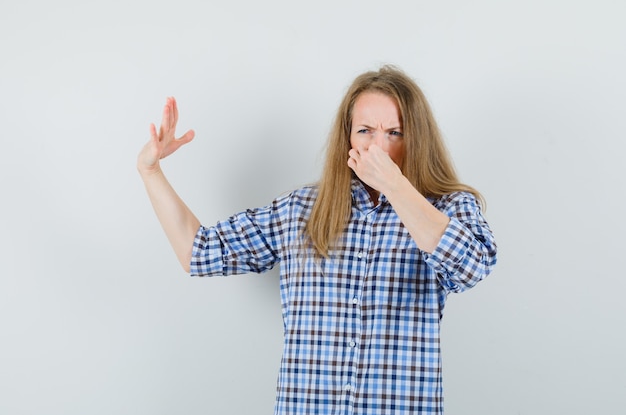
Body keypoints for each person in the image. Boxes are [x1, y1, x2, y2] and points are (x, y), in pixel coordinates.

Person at [137, 65, 497, 414]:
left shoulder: (447, 207)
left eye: (395, 133)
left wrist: (395, 185)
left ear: (417, 138)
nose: (378, 148)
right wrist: (150, 171)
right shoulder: (301, 210)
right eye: (365, 131)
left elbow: (471, 268)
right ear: (347, 138)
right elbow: (198, 251)